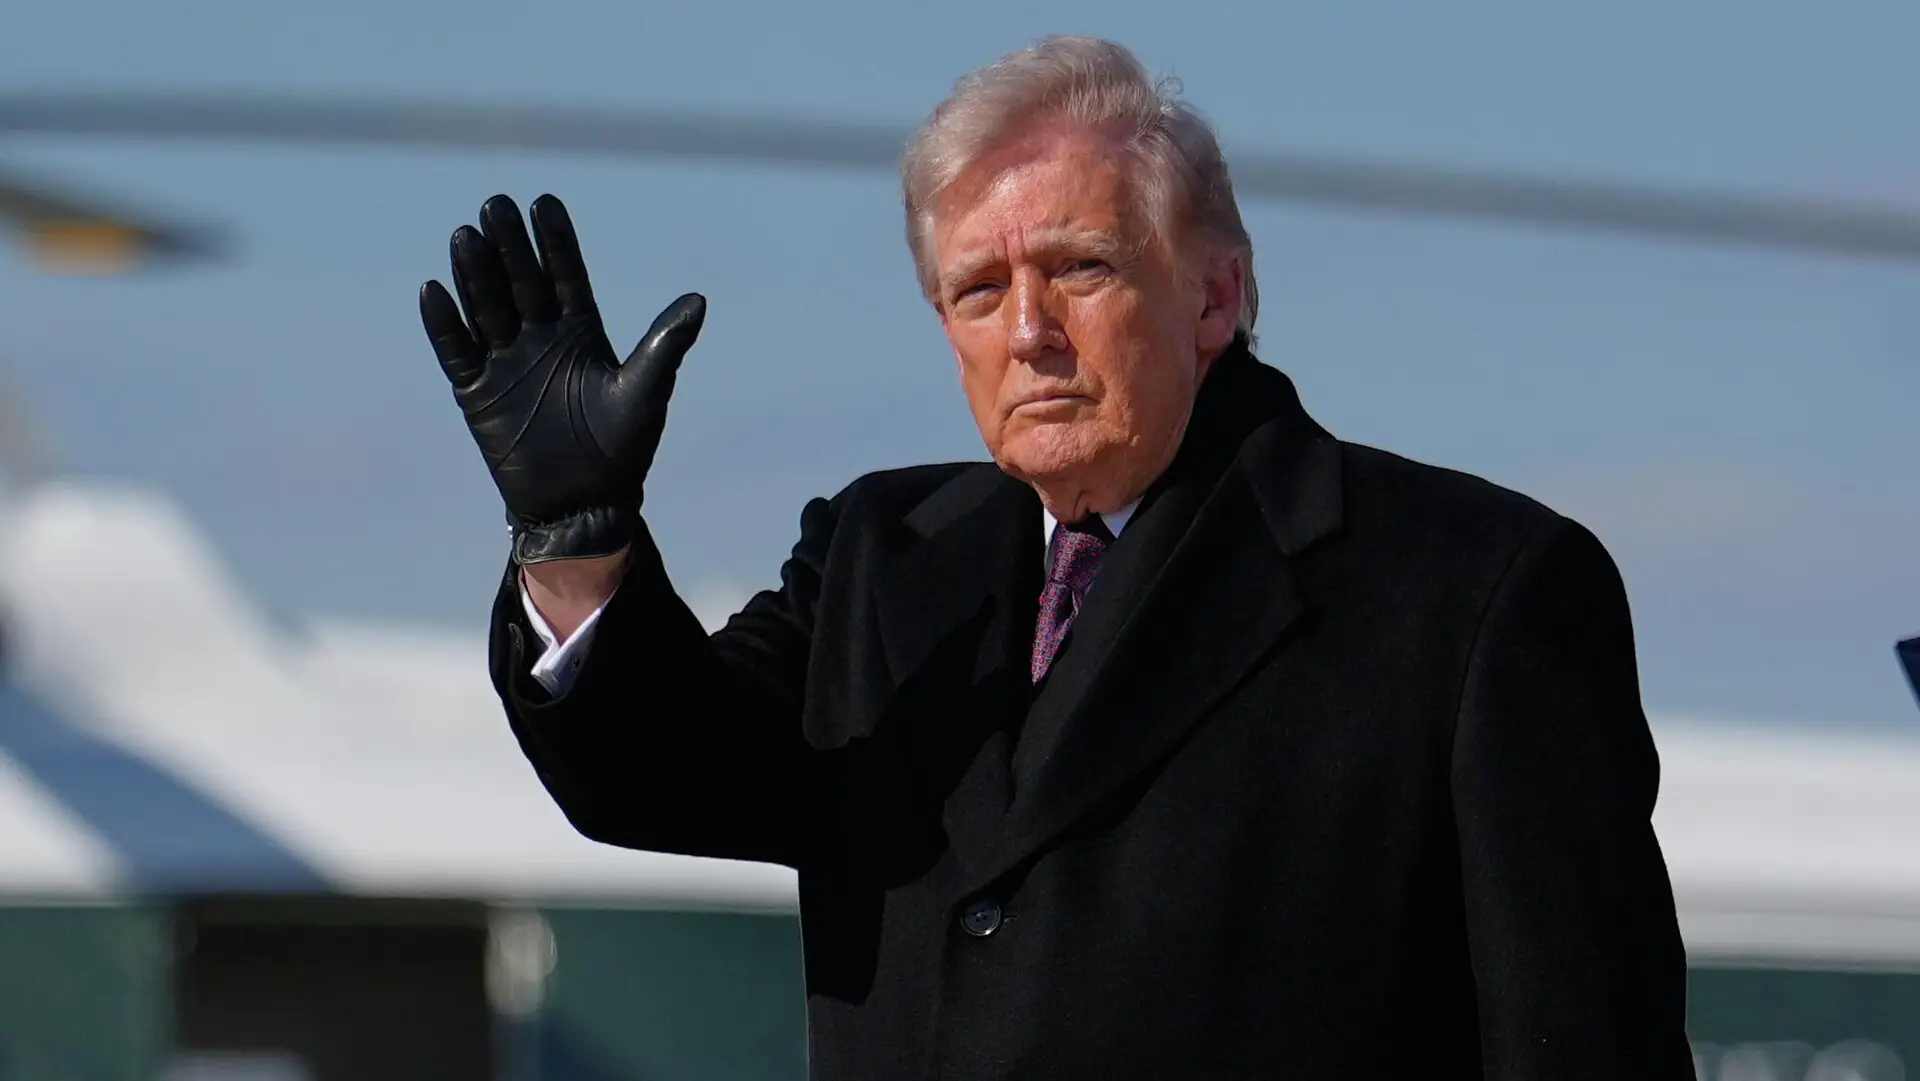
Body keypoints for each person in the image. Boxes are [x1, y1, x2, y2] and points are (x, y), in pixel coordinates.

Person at [418, 35, 1694, 1080]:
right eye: (979, 291)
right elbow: (664, 773)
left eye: (1081, 268)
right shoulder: (880, 556)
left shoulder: (1471, 592)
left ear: (1213, 297)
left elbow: (1585, 1046)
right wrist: (576, 543)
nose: (1029, 330)